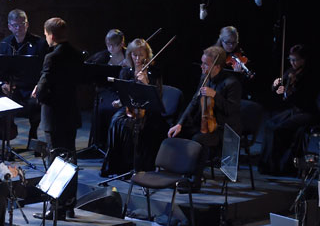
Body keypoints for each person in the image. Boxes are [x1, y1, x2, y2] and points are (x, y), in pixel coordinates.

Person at [167, 45, 242, 191]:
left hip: (224, 130)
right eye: (202, 62)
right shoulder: (205, 78)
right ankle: (177, 177)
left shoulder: (232, 83)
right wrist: (180, 124)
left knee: (199, 140)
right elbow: (194, 101)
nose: (202, 66)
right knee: (178, 132)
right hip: (206, 124)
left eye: (205, 64)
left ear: (217, 67)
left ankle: (195, 182)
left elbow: (232, 110)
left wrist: (215, 95)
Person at [33, 17, 86, 215]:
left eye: (46, 34)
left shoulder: (52, 57)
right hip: (70, 114)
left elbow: (44, 89)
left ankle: (56, 208)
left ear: (51, 35)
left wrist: (38, 91)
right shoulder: (75, 54)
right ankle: (69, 204)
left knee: (56, 160)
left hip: (54, 116)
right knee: (70, 159)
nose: (46, 38)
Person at [101, 38, 168, 177]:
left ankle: (137, 166)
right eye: (134, 55)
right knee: (116, 122)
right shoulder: (126, 71)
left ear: (147, 56)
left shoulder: (154, 72)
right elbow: (124, 92)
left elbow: (158, 96)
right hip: (130, 108)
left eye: (141, 55)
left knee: (132, 127)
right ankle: (118, 166)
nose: (137, 58)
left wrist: (145, 83)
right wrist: (120, 101)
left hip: (149, 111)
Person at [259, 44, 319, 176]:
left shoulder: (310, 75)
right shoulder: (291, 71)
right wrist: (276, 86)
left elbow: (303, 98)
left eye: (295, 60)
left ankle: (281, 166)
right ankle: (267, 164)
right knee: (269, 125)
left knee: (279, 129)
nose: (292, 63)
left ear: (303, 60)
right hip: (296, 110)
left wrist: (288, 91)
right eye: (290, 59)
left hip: (308, 113)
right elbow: (278, 88)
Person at [0, 9, 47, 143]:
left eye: (22, 24)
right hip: (13, 88)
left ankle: (33, 133)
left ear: (27, 24)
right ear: (9, 26)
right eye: (15, 25)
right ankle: (7, 139)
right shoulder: (5, 44)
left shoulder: (40, 44)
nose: (19, 28)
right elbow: (0, 70)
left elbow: (44, 69)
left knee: (35, 104)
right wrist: (4, 83)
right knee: (4, 99)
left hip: (31, 88)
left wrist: (38, 86)